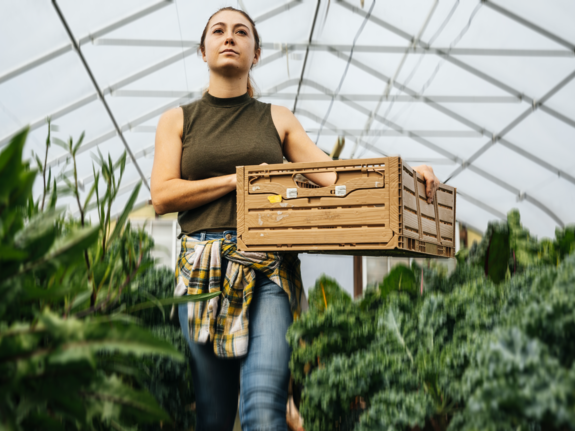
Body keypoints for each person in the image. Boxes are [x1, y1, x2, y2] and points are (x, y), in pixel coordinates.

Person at [151, 6, 440, 431]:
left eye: (241, 32)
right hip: (202, 273)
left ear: (257, 53)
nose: (229, 37)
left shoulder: (276, 118)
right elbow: (162, 195)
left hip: (269, 268)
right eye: (218, 31)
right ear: (203, 49)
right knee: (213, 416)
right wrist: (239, 181)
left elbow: (334, 174)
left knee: (263, 410)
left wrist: (407, 176)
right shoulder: (177, 120)